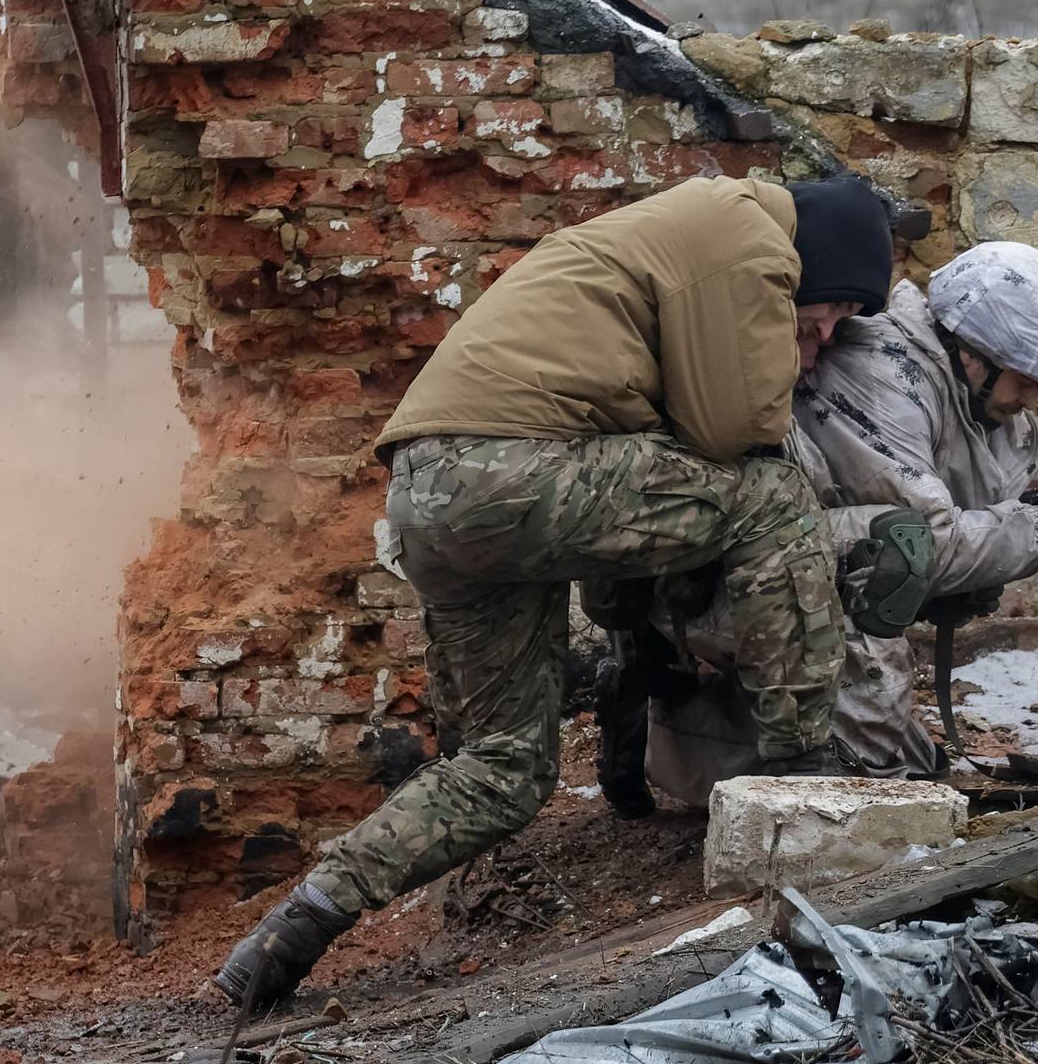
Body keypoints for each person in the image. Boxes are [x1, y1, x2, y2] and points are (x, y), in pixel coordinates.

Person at [213, 173, 897, 1009]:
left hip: (434, 495)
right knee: (771, 494)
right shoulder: (746, 233)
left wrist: (629, 625)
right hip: (509, 469)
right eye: (826, 317)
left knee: (503, 769)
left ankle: (296, 927)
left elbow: (646, 474)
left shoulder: (673, 231)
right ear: (815, 264)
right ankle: (805, 779)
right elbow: (734, 431)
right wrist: (782, 360)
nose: (823, 339)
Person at [635, 239, 1038, 805]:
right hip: (743, 583)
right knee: (869, 787)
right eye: (1023, 377)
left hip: (814, 578)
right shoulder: (877, 376)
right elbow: (926, 543)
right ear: (972, 351)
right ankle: (671, 723)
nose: (1032, 398)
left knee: (909, 766)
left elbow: (983, 510)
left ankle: (693, 721)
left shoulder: (981, 402)